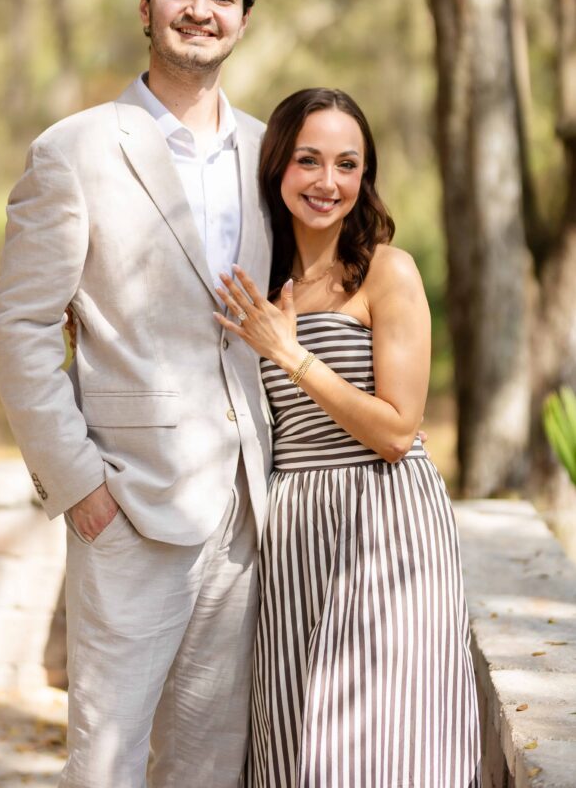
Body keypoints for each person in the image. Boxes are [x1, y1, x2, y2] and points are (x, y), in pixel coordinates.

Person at [0, 0, 274, 788]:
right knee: (104, 762)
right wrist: (78, 483)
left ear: (244, 19)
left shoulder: (273, 154)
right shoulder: (72, 150)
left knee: (208, 763)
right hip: (127, 504)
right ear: (146, 7)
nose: (200, 10)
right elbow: (20, 326)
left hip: (247, 512)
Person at [214, 88, 481, 788]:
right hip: (293, 524)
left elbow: (397, 430)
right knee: (295, 734)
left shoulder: (385, 270)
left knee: (379, 746)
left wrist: (292, 356)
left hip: (385, 521)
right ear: (276, 166)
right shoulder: (259, 280)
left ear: (365, 176)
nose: (326, 182)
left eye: (346, 163)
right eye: (307, 160)